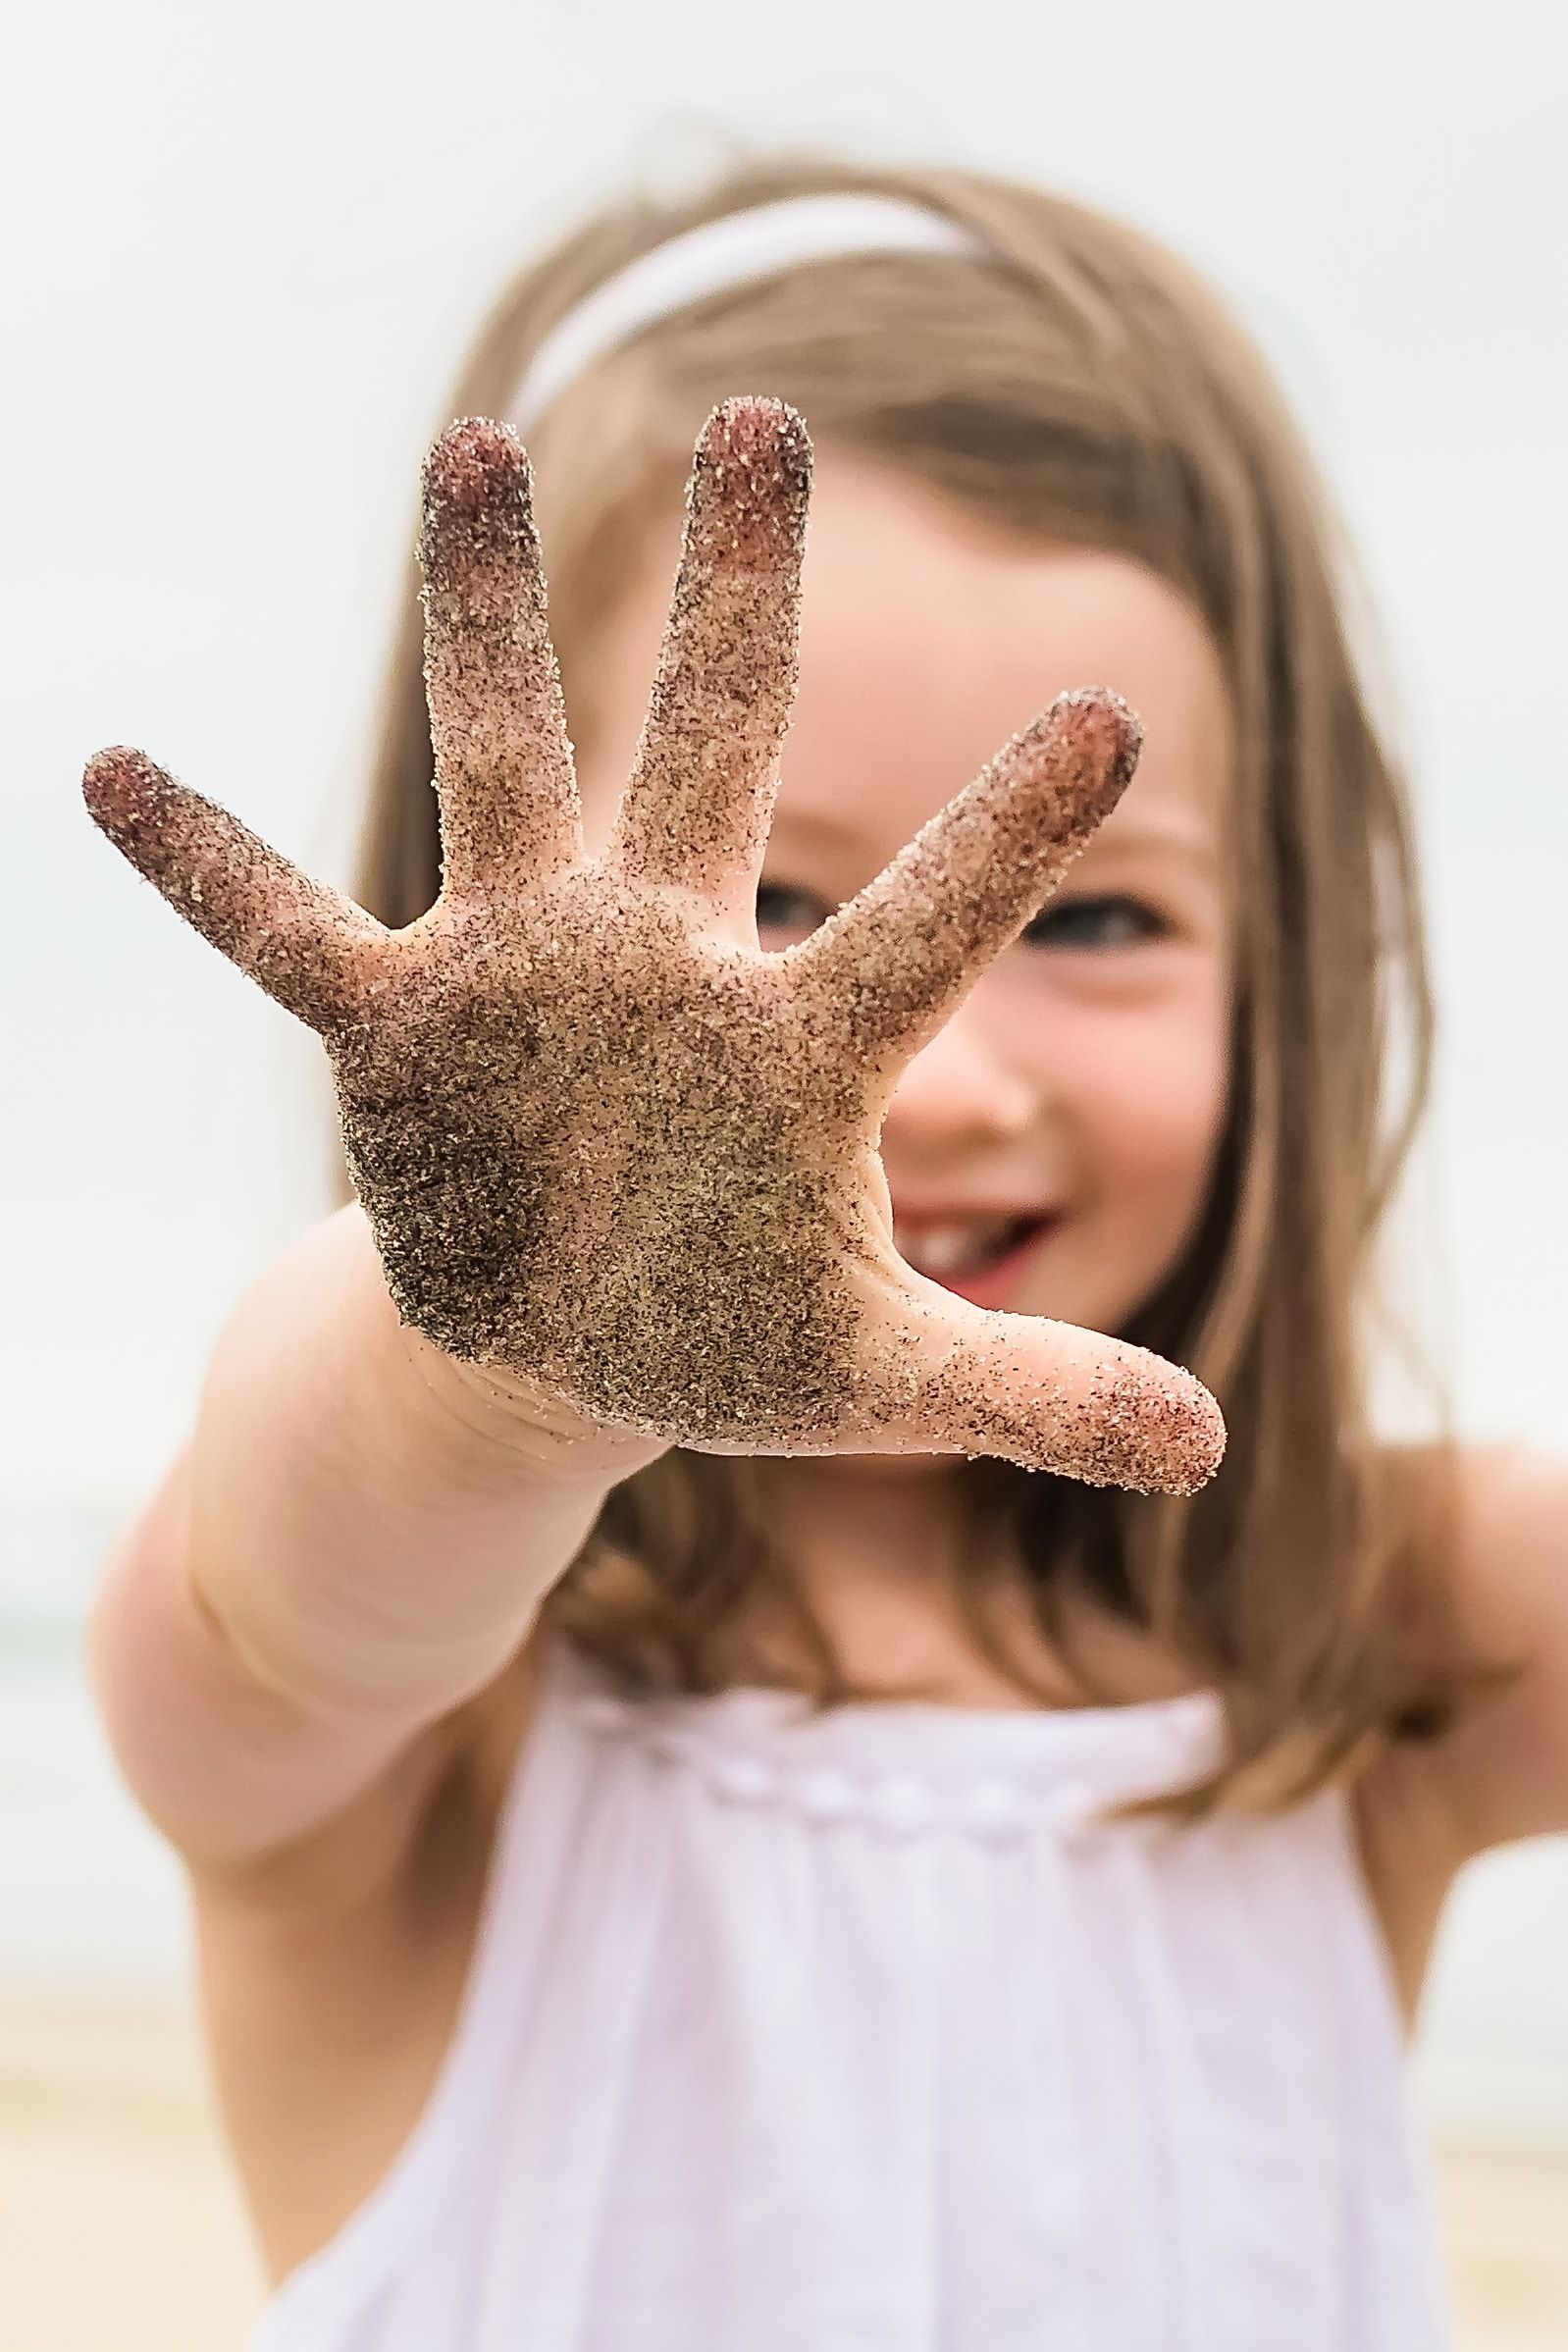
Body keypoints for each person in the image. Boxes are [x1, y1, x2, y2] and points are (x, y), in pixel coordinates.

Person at [81, 153, 1568, 2351]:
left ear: (1299, 973)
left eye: (1094, 916)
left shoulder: (1387, 1639)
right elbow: (289, 1596)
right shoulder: (428, 1736)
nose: (933, 1081)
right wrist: (515, 1340)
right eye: (762, 909)